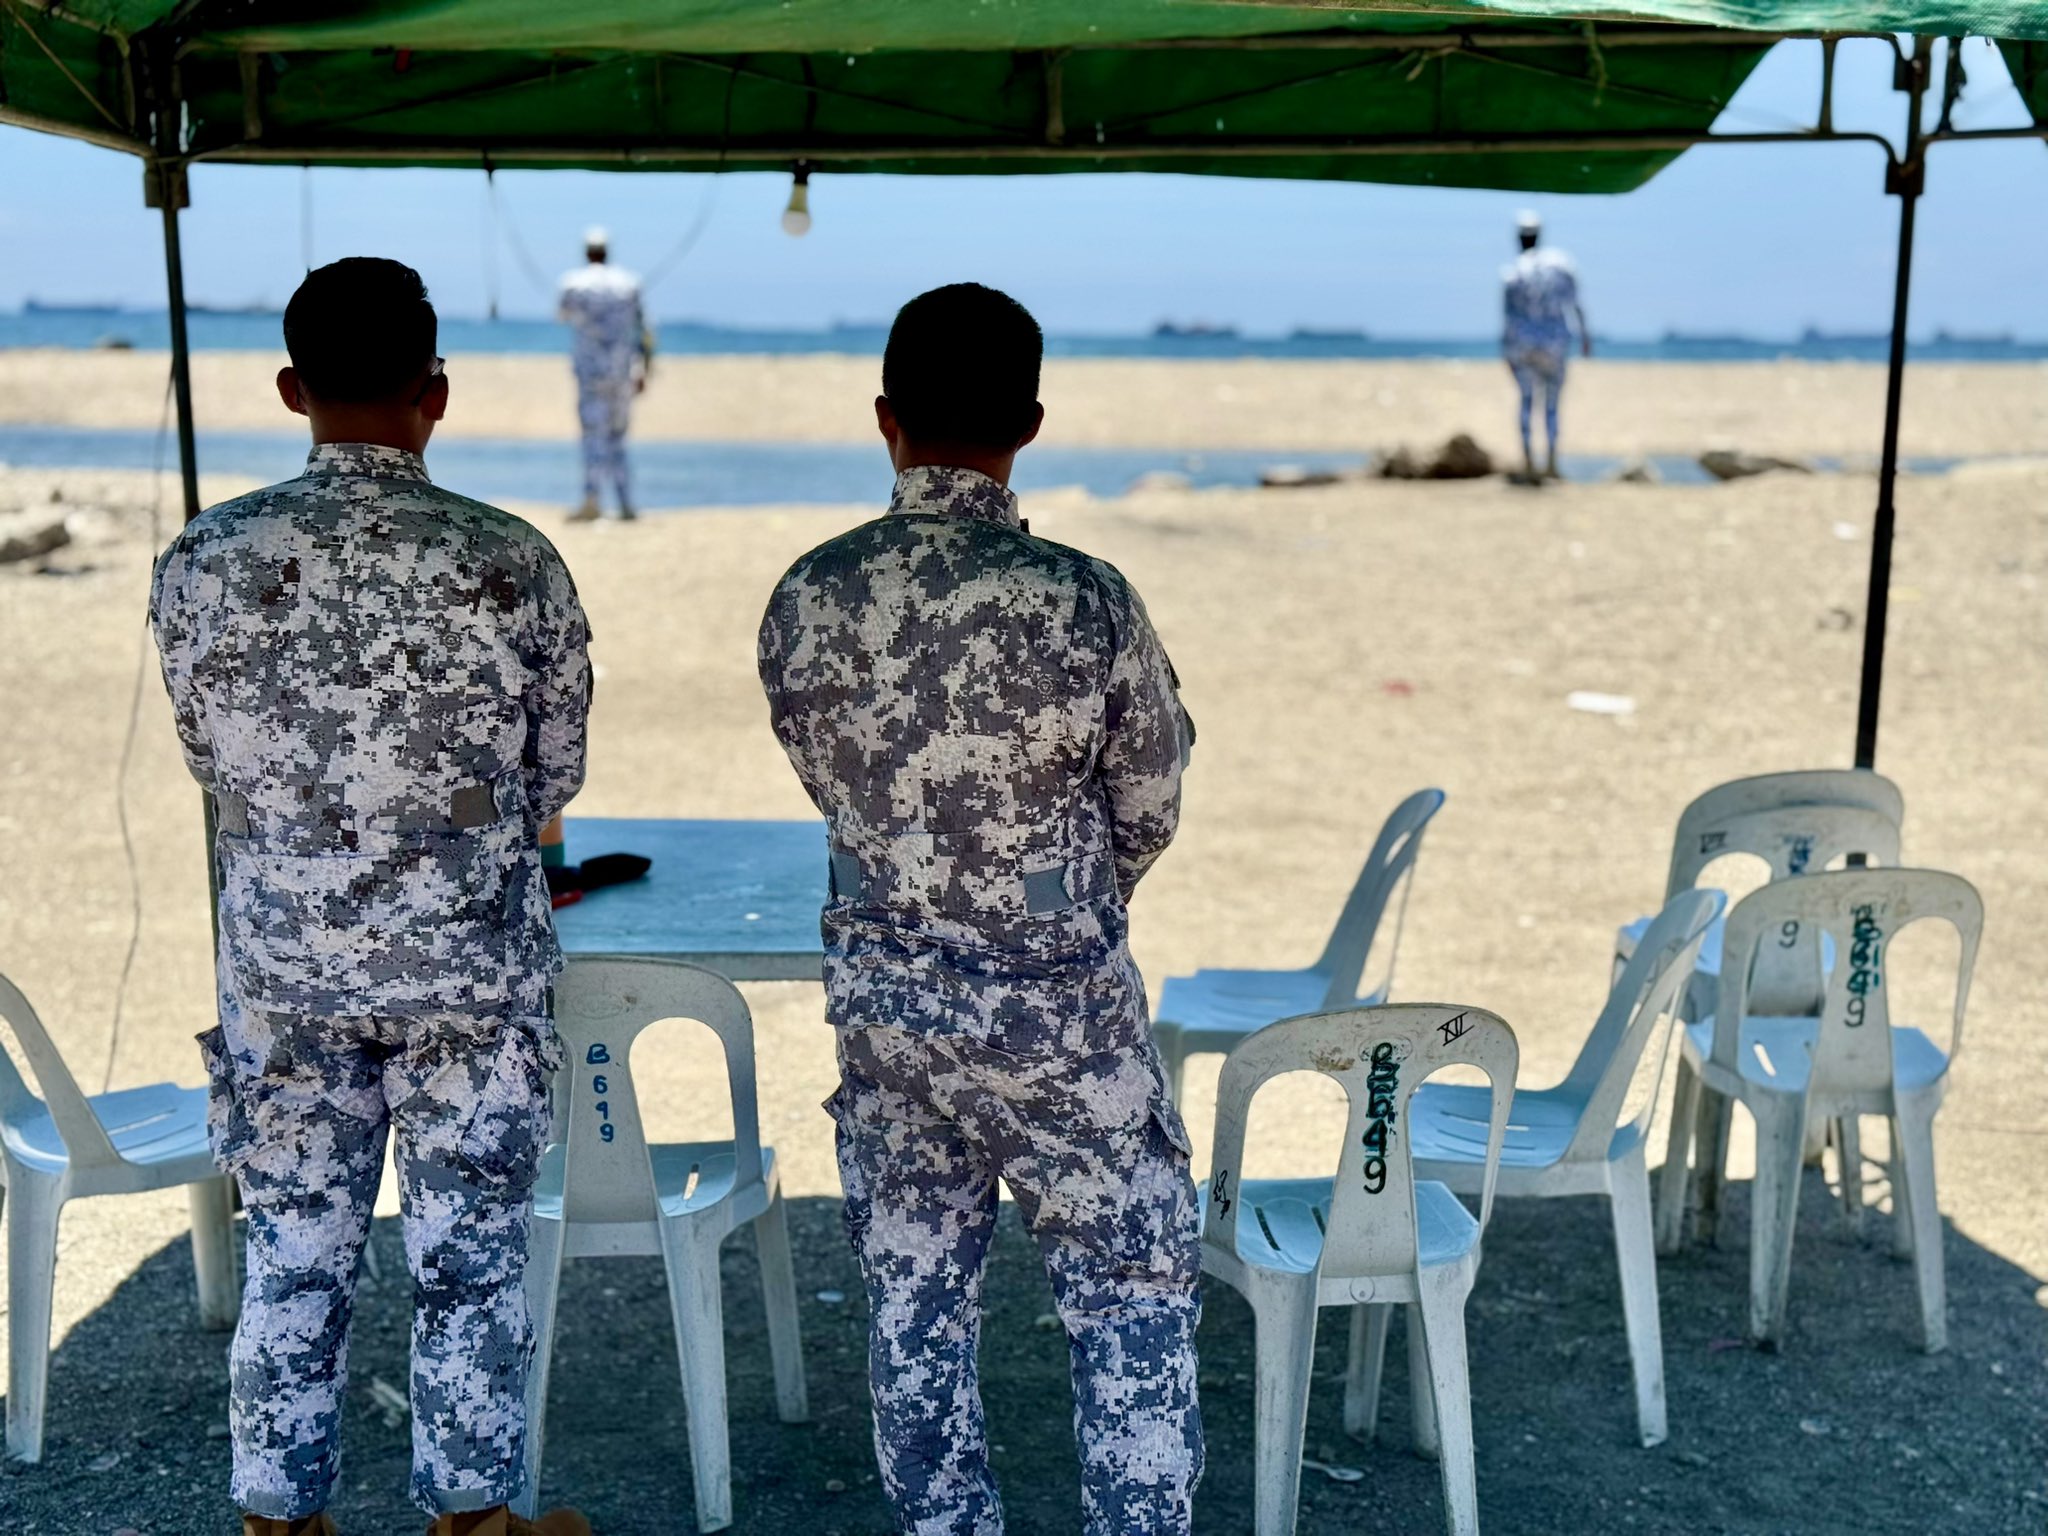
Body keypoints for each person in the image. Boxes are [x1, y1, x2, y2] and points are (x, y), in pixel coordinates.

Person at [149, 257, 593, 1536]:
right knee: (468, 1249)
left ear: (289, 387)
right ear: (435, 393)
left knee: (293, 1241)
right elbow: (553, 770)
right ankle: (471, 1517)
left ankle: (278, 1520)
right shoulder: (509, 559)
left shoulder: (203, 558)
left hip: (283, 962)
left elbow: (207, 758)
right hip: (468, 959)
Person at [757, 283, 1203, 1534]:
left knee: (913, 1307)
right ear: (1031, 424)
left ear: (886, 422)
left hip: (887, 1006)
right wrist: (1044, 900)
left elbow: (825, 776)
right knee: (1128, 1296)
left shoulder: (809, 591)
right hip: (1057, 1005)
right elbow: (1150, 799)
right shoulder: (1083, 596)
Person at [557, 226, 651, 522]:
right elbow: (643, 329)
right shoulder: (629, 283)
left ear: (587, 252)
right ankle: (625, 503)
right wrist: (643, 367)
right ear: (607, 251)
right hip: (622, 372)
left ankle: (592, 500)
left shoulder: (574, 283)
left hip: (591, 375)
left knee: (592, 437)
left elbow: (563, 315)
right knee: (618, 438)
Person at [1501, 209, 1592, 481]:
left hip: (1522, 344)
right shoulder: (1560, 265)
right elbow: (1575, 305)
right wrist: (1585, 337)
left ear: (1519, 238)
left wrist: (1507, 350)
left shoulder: (1512, 272)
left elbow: (1508, 316)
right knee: (1552, 404)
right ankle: (1551, 462)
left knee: (1528, 401)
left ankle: (1529, 462)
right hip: (1554, 343)